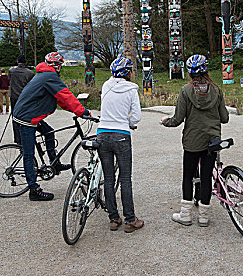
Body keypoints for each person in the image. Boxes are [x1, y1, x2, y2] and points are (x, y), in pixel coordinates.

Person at [160, 54, 229, 227]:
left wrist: (165, 121)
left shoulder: (186, 90)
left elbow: (177, 119)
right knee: (206, 177)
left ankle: (186, 215)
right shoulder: (216, 90)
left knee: (188, 176)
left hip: (192, 141)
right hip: (212, 140)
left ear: (190, 72)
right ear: (206, 69)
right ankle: (204, 217)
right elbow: (225, 118)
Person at [13, 52, 91, 201]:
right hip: (26, 118)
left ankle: (54, 163)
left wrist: (75, 110)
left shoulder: (45, 75)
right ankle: (33, 190)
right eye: (60, 65)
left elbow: (60, 98)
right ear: (57, 66)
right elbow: (66, 95)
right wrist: (82, 111)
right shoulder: (49, 76)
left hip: (28, 114)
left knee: (49, 132)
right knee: (28, 154)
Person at [97, 57, 143, 233]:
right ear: (128, 72)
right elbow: (136, 116)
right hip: (121, 135)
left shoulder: (106, 86)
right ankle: (130, 220)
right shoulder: (131, 90)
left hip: (102, 133)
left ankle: (114, 218)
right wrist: (128, 121)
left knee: (109, 178)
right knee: (125, 179)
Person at [8, 55, 34, 144]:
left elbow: (9, 80)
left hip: (14, 96)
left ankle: (17, 138)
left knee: (15, 118)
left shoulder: (11, 71)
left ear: (17, 61)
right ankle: (26, 136)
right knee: (26, 118)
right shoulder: (30, 73)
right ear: (25, 62)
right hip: (24, 97)